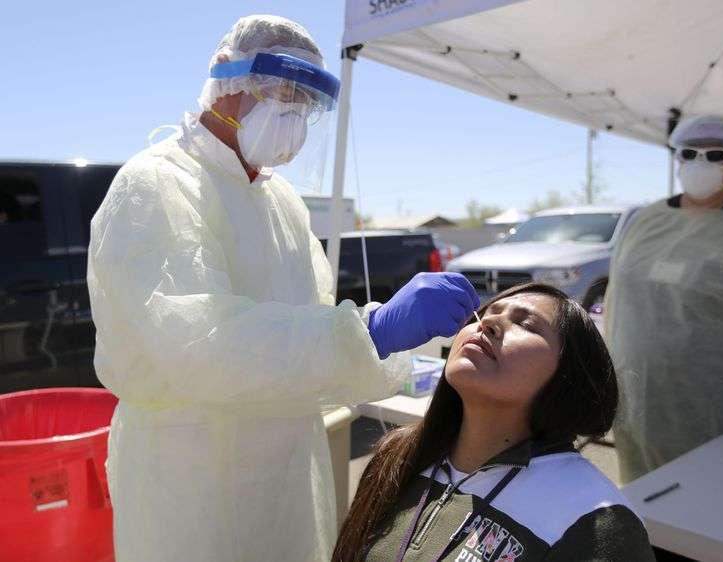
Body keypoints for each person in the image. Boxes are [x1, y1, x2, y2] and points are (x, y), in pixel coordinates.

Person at [87, 15, 479, 562]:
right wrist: (369, 331)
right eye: (283, 92)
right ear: (228, 83)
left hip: (288, 468)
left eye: (306, 102)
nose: (294, 112)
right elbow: (199, 344)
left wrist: (381, 343)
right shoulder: (156, 185)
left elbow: (307, 330)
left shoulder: (281, 203)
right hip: (191, 474)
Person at [334, 283, 657, 562]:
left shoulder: (596, 520)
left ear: (569, 377)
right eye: (486, 313)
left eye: (526, 324)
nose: (488, 322)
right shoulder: (398, 454)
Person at [605, 115, 723, 483]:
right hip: (640, 399)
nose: (700, 162)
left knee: (721, 501)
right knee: (646, 498)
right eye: (689, 153)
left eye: (716, 155)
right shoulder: (648, 219)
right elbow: (619, 301)